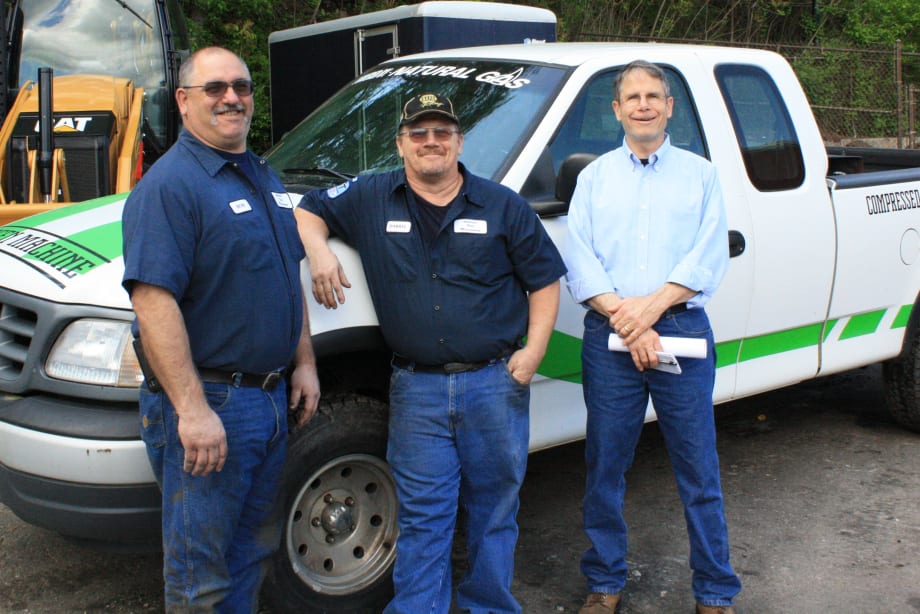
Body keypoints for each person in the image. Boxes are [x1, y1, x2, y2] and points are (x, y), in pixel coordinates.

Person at [295, 93, 566, 613]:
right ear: (400, 145)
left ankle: (489, 606)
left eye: (442, 132)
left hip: (493, 384)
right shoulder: (371, 196)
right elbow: (309, 209)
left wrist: (532, 355)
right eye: (418, 133)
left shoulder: (501, 204)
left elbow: (545, 281)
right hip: (416, 390)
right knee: (423, 515)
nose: (431, 142)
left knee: (494, 510)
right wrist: (320, 250)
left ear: (460, 142)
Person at [121, 46, 321, 612]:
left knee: (251, 555)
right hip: (212, 405)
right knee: (199, 577)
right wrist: (190, 410)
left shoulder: (262, 173)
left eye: (241, 86)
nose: (232, 97)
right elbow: (152, 303)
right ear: (184, 101)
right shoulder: (170, 187)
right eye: (214, 88)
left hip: (271, 399)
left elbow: (287, 274)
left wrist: (303, 361)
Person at [564, 60, 742, 614]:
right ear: (616, 110)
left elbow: (709, 253)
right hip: (609, 338)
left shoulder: (701, 175)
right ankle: (605, 582)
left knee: (698, 469)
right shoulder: (593, 178)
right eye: (632, 97)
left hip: (682, 330)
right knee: (605, 466)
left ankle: (714, 591)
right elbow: (579, 255)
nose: (643, 104)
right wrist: (626, 318)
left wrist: (650, 311)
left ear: (669, 107)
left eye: (653, 96)